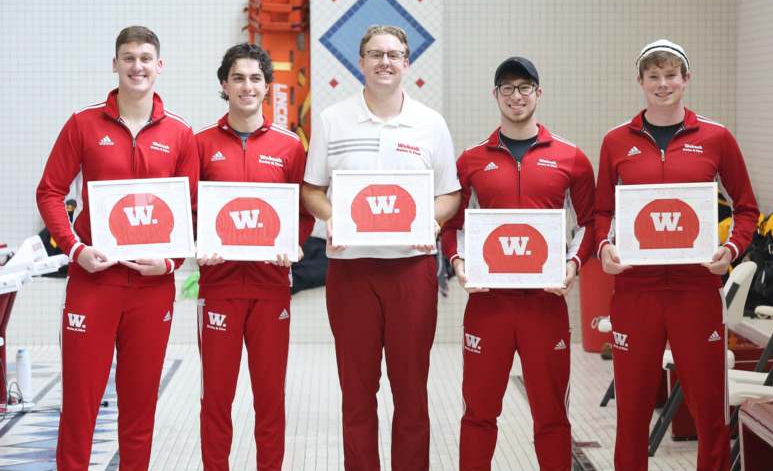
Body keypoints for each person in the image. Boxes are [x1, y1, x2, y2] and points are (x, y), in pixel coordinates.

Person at [36, 25, 199, 470]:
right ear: (115, 64)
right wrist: (74, 249)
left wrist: (170, 262)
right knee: (80, 405)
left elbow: (192, 209)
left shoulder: (181, 134)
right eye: (128, 58)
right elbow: (50, 191)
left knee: (139, 406)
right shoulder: (82, 124)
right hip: (94, 280)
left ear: (160, 66)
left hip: (151, 288)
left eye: (146, 58)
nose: (137, 66)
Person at [301, 25, 461, 470]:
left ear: (407, 63)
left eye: (393, 55)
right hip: (351, 272)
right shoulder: (334, 119)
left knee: (411, 392)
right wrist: (334, 219)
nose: (384, 62)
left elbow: (450, 193)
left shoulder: (431, 123)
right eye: (375, 54)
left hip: (411, 270)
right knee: (357, 393)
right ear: (361, 61)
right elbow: (312, 189)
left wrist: (429, 220)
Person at [595, 39, 759, 471]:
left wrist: (730, 249)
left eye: (671, 75)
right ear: (641, 82)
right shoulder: (615, 142)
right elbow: (602, 211)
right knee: (631, 414)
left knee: (710, 412)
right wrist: (603, 246)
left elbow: (746, 208)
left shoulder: (717, 137)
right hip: (635, 293)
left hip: (695, 292)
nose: (662, 84)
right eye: (654, 77)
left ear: (686, 80)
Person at [440, 57, 595, 471]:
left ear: (538, 93)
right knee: (479, 413)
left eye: (524, 87)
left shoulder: (571, 158)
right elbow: (452, 225)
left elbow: (592, 222)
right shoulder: (471, 161)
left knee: (551, 416)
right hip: (489, 305)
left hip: (545, 304)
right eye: (507, 88)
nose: (516, 96)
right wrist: (458, 262)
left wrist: (573, 264)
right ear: (495, 95)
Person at [194, 43, 313, 471]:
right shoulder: (201, 144)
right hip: (219, 288)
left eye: (256, 78)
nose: (247, 86)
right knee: (216, 398)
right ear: (224, 85)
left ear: (267, 86)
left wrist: (294, 245)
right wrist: (197, 243)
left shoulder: (288, 146)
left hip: (271, 288)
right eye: (238, 78)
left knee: (270, 398)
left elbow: (303, 210)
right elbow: (191, 209)